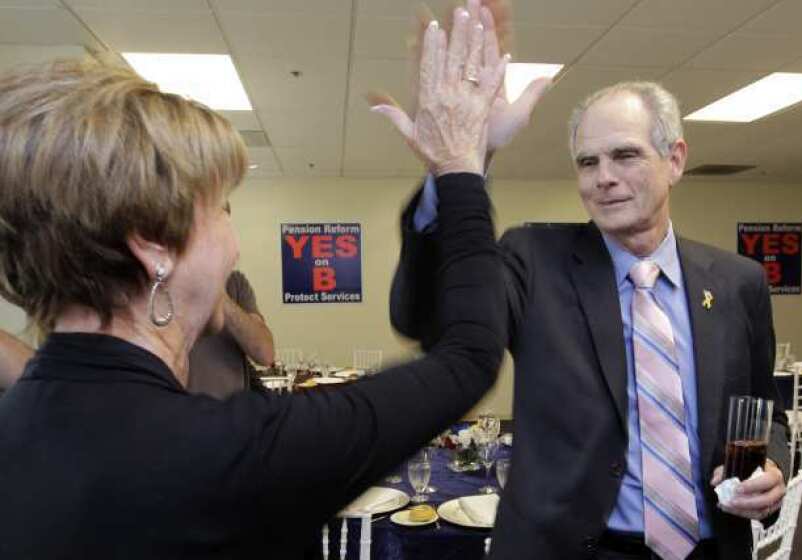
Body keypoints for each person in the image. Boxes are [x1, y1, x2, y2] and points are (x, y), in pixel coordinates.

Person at [0, 10, 508, 556]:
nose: (234, 242)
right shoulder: (220, 453)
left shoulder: (25, 416)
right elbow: (469, 357)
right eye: (220, 209)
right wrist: (460, 163)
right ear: (153, 243)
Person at [387, 24, 790, 560]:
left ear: (674, 160)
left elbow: (767, 410)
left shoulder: (739, 283)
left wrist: (774, 466)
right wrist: (457, 167)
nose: (603, 178)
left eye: (625, 156)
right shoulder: (533, 259)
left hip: (709, 548)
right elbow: (425, 319)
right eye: (587, 162)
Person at [187, 264, 274, 399]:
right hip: (182, 410)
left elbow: (265, 354)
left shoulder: (235, 282)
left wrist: (219, 295)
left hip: (233, 411)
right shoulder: (160, 284)